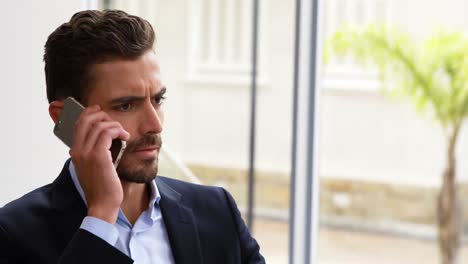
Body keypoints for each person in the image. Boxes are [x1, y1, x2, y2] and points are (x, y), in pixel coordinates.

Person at [0, 9, 265, 264]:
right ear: (65, 117)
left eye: (158, 99)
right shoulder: (13, 233)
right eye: (126, 105)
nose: (154, 125)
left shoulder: (217, 211)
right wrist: (101, 215)